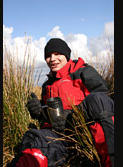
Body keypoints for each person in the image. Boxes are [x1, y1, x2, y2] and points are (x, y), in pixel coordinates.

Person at [10, 38, 114, 167]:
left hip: (85, 130)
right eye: (48, 56)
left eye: (57, 54)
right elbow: (47, 116)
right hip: (59, 137)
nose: (52, 59)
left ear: (66, 55)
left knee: (98, 100)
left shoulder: (83, 72)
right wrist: (39, 111)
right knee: (35, 141)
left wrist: (71, 116)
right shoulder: (47, 85)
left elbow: (104, 99)